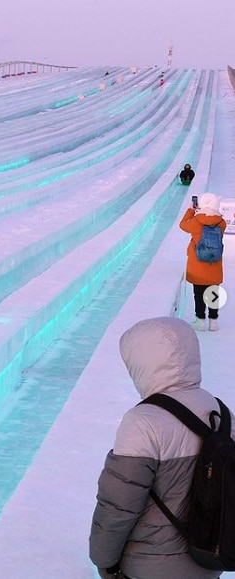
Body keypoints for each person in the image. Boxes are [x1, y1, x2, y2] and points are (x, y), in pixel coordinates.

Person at [89, 316, 234, 579]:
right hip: (209, 557)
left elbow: (118, 505)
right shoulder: (222, 412)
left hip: (148, 567)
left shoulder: (143, 422)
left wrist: (104, 560)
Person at [179, 192, 226, 331]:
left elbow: (182, 225)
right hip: (214, 264)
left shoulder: (196, 222)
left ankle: (200, 321)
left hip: (198, 265)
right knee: (213, 293)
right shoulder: (221, 223)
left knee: (198, 294)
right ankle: (213, 322)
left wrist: (191, 210)